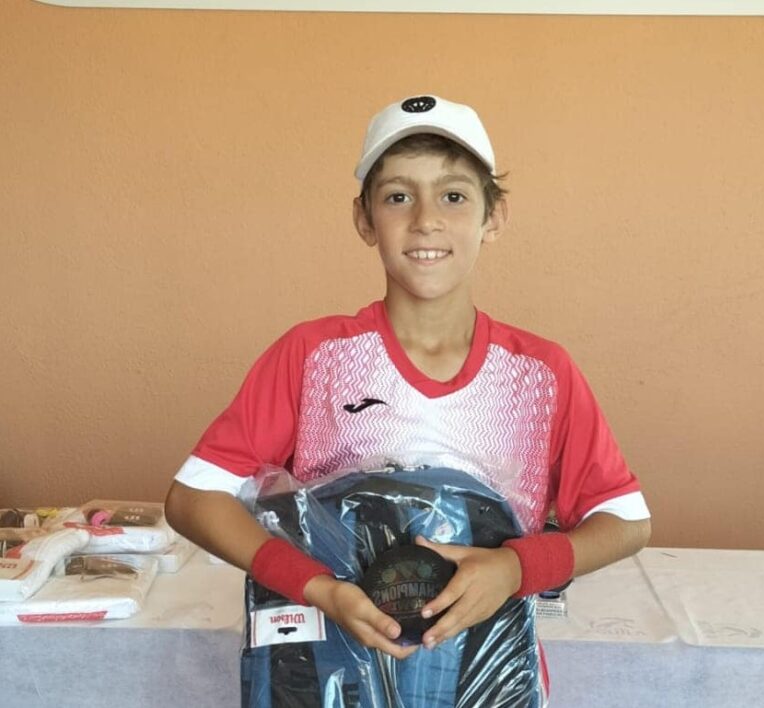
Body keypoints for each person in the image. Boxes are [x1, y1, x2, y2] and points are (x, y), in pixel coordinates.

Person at [165, 94, 652, 702]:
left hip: (488, 678)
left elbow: (625, 522)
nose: (426, 220)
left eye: (454, 196)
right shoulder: (313, 356)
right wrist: (317, 587)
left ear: (494, 217)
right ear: (365, 219)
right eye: (398, 196)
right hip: (328, 677)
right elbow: (193, 499)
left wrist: (515, 568)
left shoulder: (540, 373)